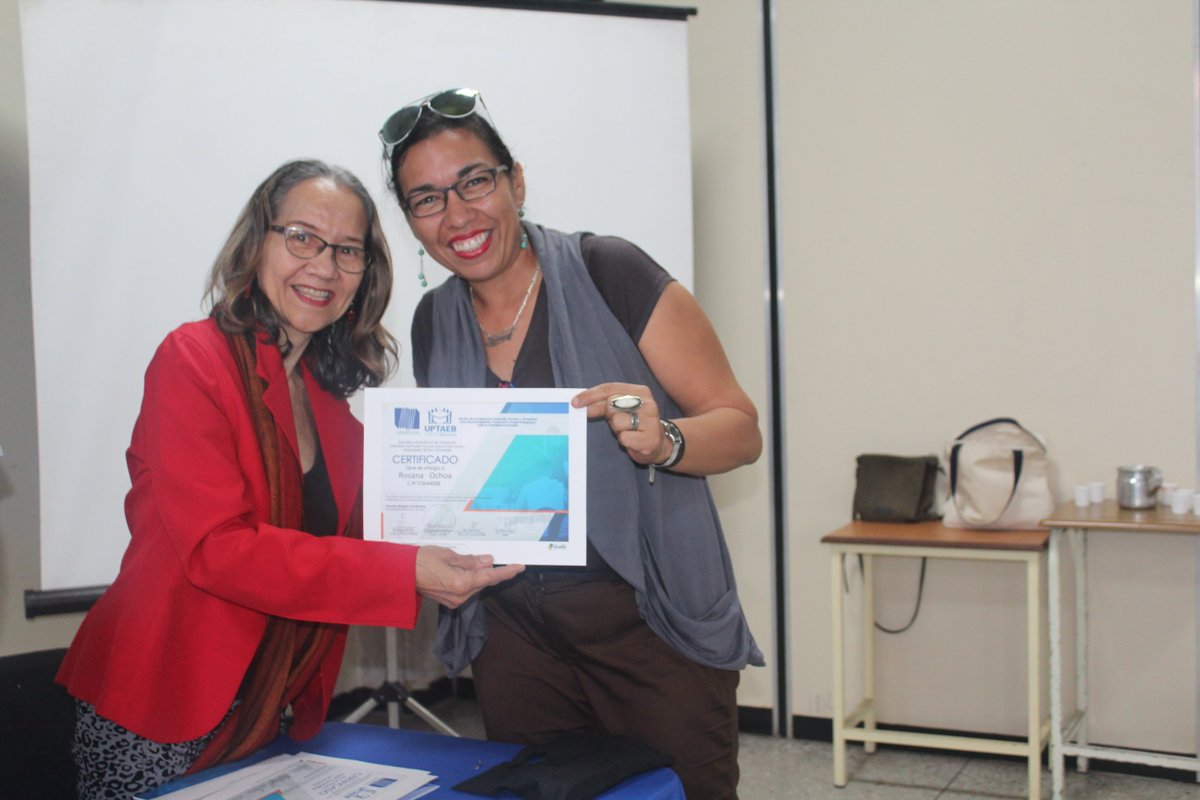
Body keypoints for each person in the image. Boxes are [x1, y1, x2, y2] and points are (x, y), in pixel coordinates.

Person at [55, 159, 524, 800]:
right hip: (160, 704)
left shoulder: (330, 405)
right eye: (302, 238)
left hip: (267, 706)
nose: (324, 267)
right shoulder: (192, 361)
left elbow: (378, 531)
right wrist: (406, 571)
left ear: (364, 275)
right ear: (258, 243)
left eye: (348, 250)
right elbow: (219, 551)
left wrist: (506, 483)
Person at [379, 88, 763, 800]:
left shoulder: (610, 271)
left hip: (649, 626)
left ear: (516, 182)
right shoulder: (434, 321)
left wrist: (666, 440)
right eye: (427, 199)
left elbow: (741, 428)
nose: (456, 215)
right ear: (410, 219)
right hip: (516, 639)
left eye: (474, 182)